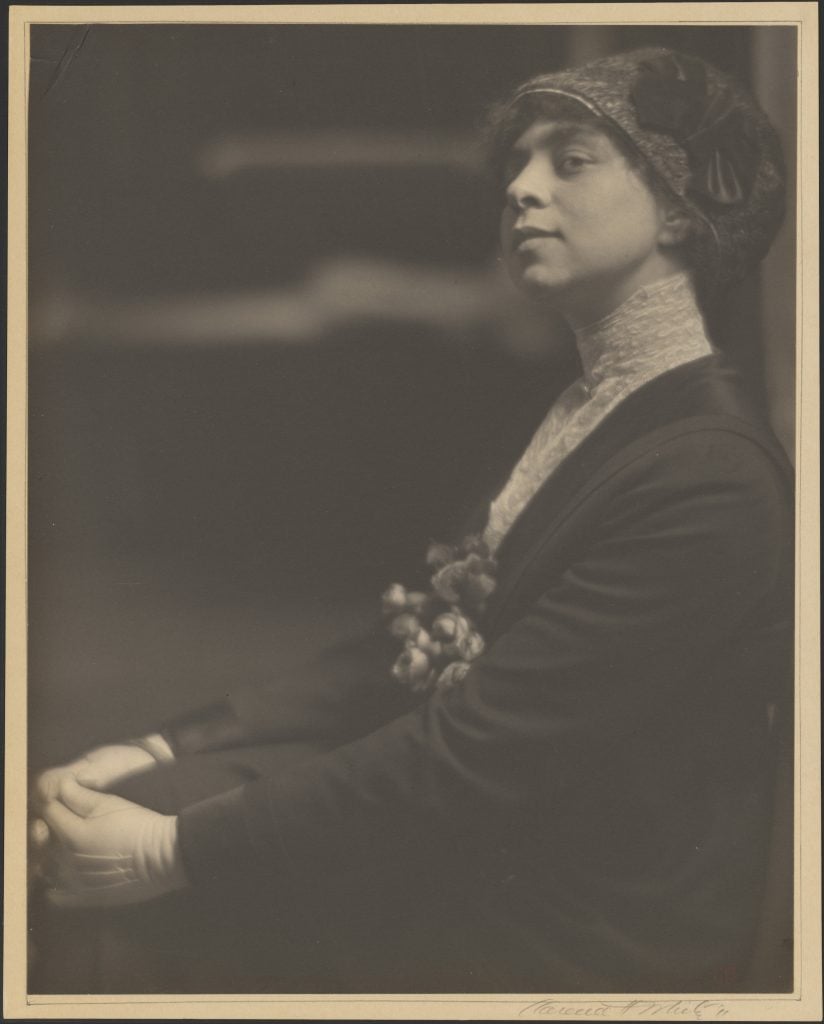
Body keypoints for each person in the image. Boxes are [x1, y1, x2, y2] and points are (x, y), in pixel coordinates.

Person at [29, 47, 794, 994]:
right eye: (516, 163)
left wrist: (177, 849)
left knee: (95, 880)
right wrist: (172, 746)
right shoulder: (584, 407)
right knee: (85, 819)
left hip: (586, 909)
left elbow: (483, 745)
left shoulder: (709, 473)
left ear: (682, 207)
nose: (520, 188)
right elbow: (408, 644)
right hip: (490, 825)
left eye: (571, 160)